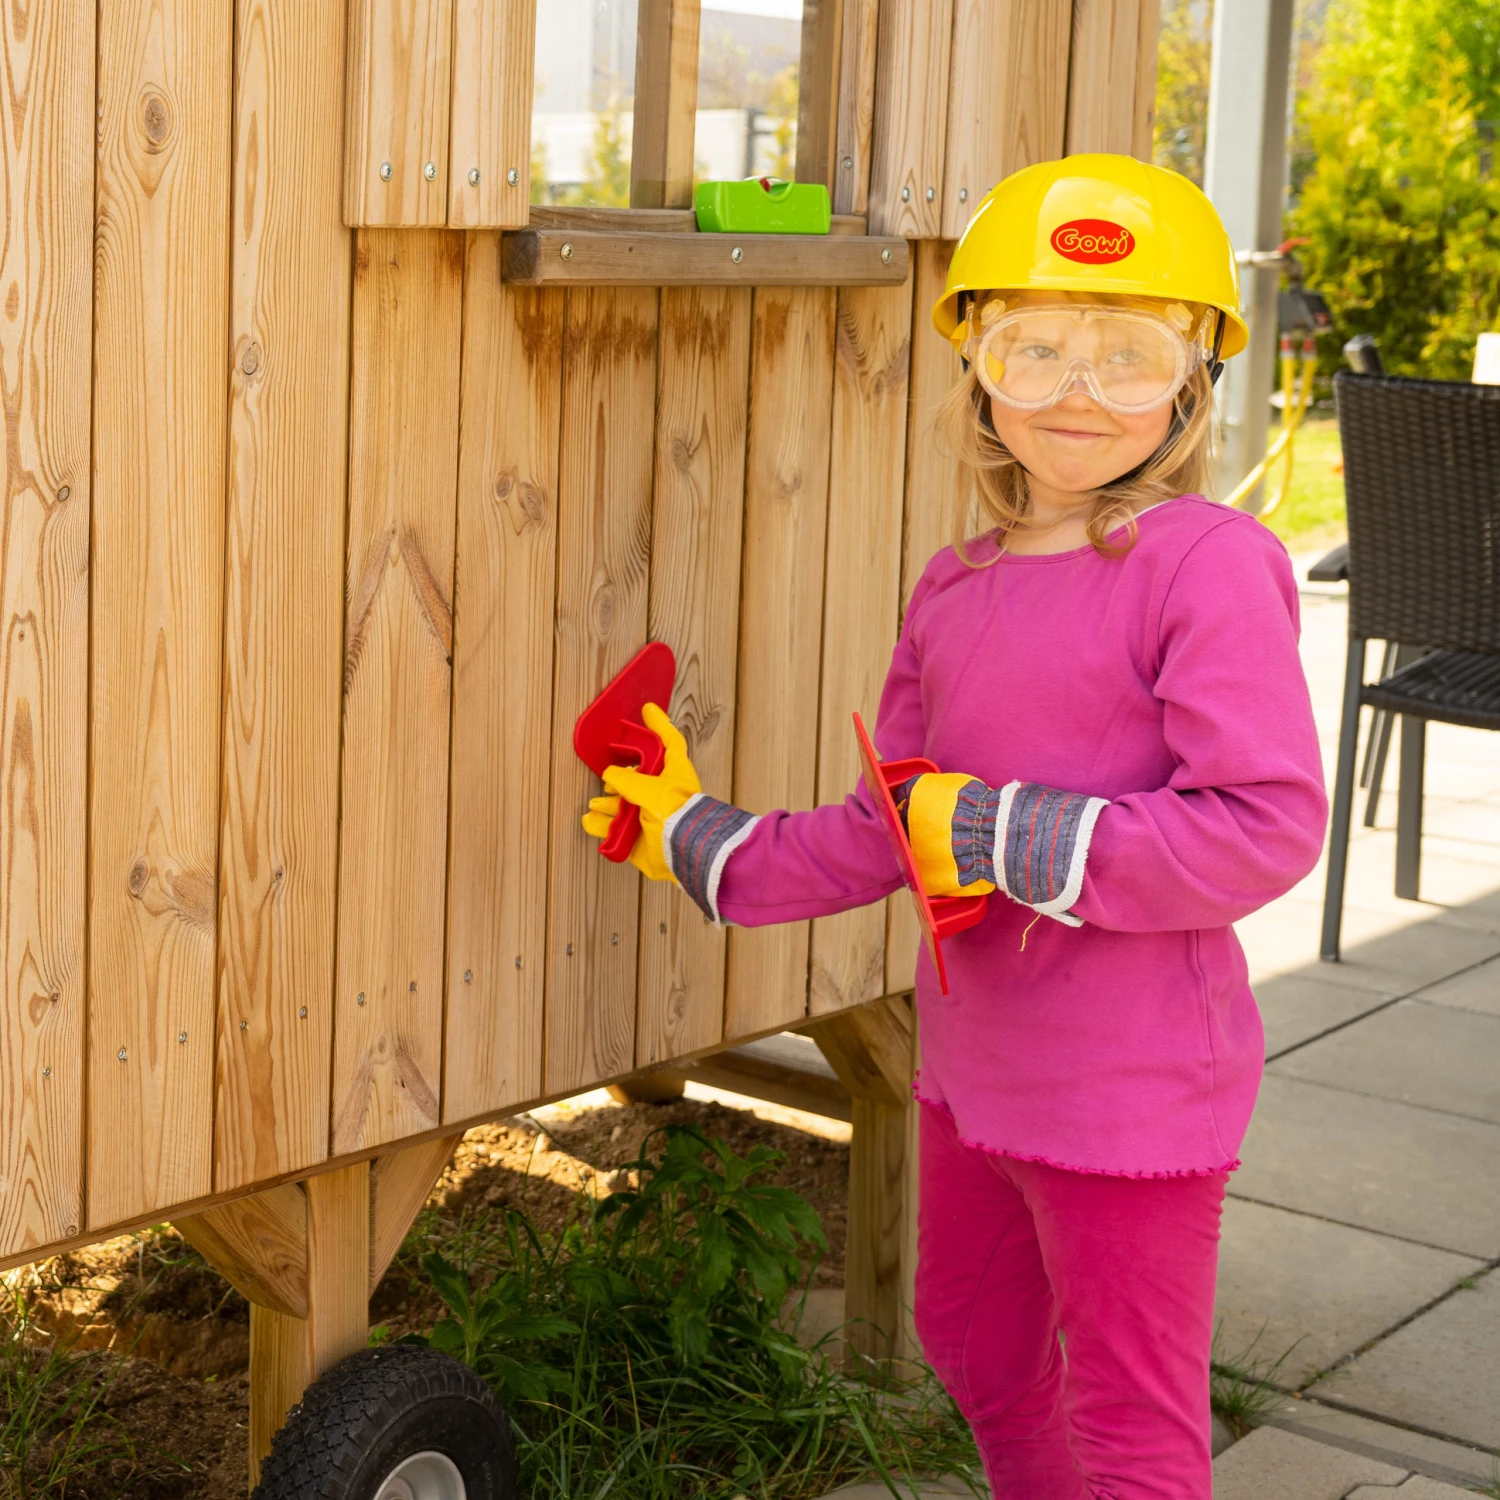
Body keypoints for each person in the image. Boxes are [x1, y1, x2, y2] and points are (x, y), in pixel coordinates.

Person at [582, 153, 1328, 1499]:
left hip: (1135, 1094)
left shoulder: (1208, 563)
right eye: (1035, 349)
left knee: (1129, 1423)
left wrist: (996, 834)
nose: (1080, 390)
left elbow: (1259, 828)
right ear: (980, 366)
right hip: (976, 1071)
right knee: (973, 1347)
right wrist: (689, 830)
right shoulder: (956, 584)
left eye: (1127, 351)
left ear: (1195, 373)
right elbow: (885, 830)